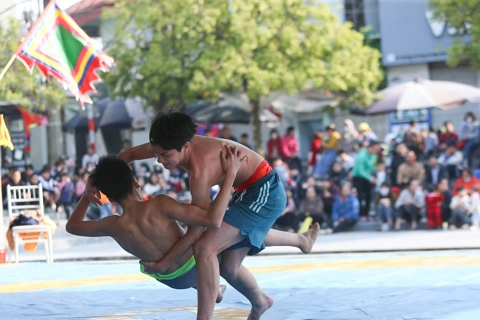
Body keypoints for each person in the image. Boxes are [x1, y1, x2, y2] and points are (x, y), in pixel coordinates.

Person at [85, 111, 320, 320]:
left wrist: (166, 262)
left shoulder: (200, 172)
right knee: (228, 268)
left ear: (186, 146)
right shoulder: (172, 143)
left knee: (206, 247)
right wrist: (93, 181)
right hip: (244, 191)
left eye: (165, 155)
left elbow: (204, 225)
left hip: (265, 191)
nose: (159, 160)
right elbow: (129, 155)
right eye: (156, 153)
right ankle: (263, 298)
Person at [67, 152, 244, 299]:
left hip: (171, 279)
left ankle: (214, 290)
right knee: (220, 227)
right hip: (197, 265)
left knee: (184, 239)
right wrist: (230, 176)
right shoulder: (159, 204)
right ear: (135, 182)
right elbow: (210, 219)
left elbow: (72, 226)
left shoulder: (112, 225)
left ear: (110, 198)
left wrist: (87, 195)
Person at [352, 140, 380, 221]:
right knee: (360, 197)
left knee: (368, 196)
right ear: (371, 147)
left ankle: (367, 214)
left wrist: (374, 176)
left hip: (368, 177)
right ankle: (361, 214)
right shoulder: (361, 156)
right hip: (359, 178)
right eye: (376, 147)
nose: (378, 149)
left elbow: (372, 167)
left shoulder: (374, 155)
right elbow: (360, 170)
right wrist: (369, 178)